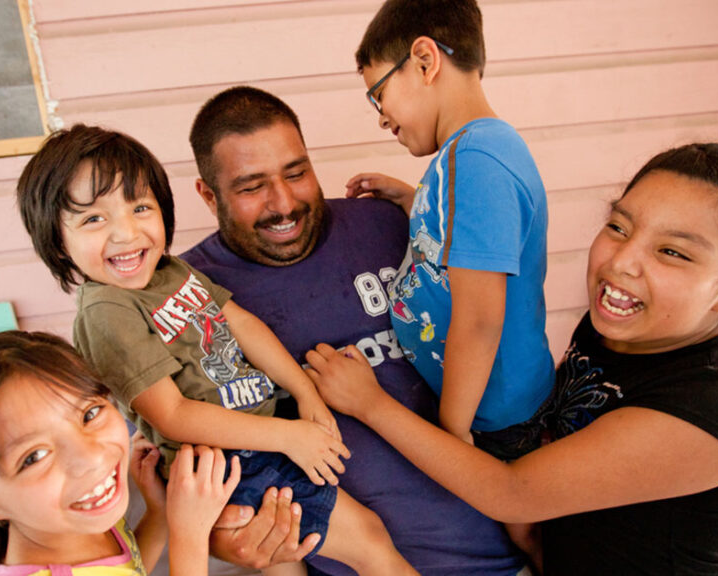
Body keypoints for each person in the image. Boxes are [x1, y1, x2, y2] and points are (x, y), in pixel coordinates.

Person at [307, 142, 718, 575]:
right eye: (619, 226)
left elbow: (511, 492)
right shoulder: (620, 331)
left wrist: (371, 404)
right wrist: (428, 211)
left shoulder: (715, 414)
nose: (620, 262)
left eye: (673, 253)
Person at [15, 125, 417, 576]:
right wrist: (289, 437)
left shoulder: (170, 271)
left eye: (140, 207)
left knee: (289, 564)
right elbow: (172, 416)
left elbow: (242, 324)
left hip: (257, 441)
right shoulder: (107, 311)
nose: (127, 233)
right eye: (94, 219)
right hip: (228, 464)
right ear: (56, 240)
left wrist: (304, 391)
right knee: (369, 539)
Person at [183, 85, 528, 575]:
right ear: (207, 194)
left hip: (502, 553)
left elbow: (480, 300)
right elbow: (173, 452)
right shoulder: (188, 296)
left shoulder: (386, 224)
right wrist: (224, 539)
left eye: (296, 173)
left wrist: (416, 203)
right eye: (251, 186)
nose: (283, 203)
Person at [345, 0, 554, 564]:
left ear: (424, 60)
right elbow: (463, 244)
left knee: (527, 533)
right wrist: (411, 201)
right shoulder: (463, 157)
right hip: (485, 409)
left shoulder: (480, 158)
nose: (381, 117)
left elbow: (481, 318)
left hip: (494, 416)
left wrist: (452, 432)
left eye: (378, 95)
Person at [0, 330, 242, 576]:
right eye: (33, 456)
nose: (91, 458)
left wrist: (158, 513)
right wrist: (190, 535)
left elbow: (126, 566)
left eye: (90, 414)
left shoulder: (75, 525)